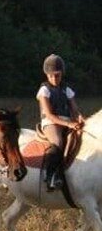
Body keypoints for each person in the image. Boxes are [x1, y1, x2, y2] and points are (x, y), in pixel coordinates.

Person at [37, 54, 84, 191]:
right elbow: (50, 115)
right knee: (58, 142)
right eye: (51, 76)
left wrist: (79, 117)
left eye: (57, 75)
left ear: (62, 73)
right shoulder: (44, 90)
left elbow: (74, 110)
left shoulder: (66, 89)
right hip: (51, 123)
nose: (54, 79)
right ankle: (49, 175)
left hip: (67, 121)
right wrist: (69, 124)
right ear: (47, 75)